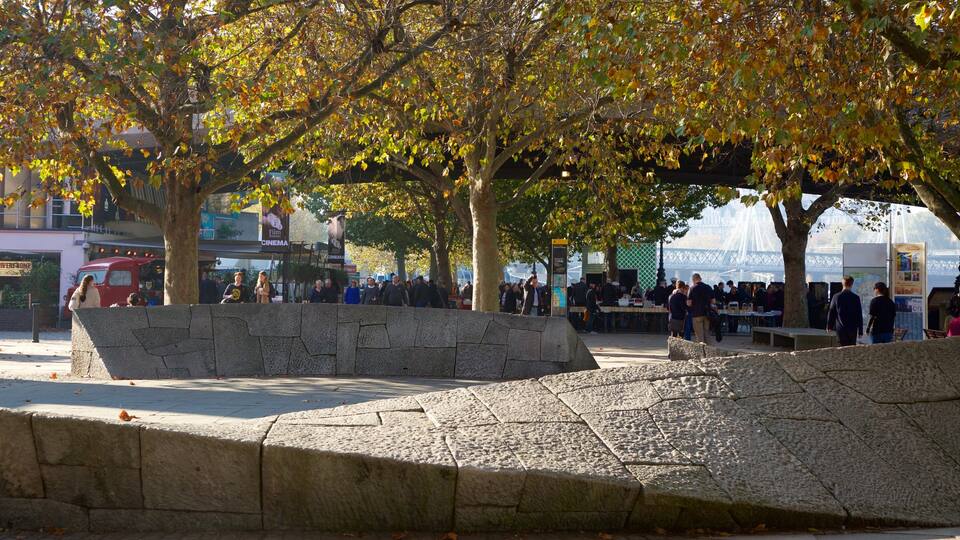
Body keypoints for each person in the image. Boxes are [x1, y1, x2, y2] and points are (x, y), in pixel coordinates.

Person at [827, 275, 863, 346]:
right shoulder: (856, 298)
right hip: (852, 329)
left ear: (842, 284)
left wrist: (829, 326)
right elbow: (859, 314)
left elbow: (831, 312)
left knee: (841, 348)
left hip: (840, 328)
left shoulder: (836, 297)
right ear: (852, 284)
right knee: (851, 348)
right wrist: (860, 331)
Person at [687, 273, 714, 343]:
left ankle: (701, 351)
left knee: (699, 335)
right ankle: (709, 350)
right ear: (700, 278)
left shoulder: (692, 288)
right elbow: (713, 301)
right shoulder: (708, 287)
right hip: (707, 313)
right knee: (707, 333)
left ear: (693, 280)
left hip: (696, 314)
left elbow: (689, 303)